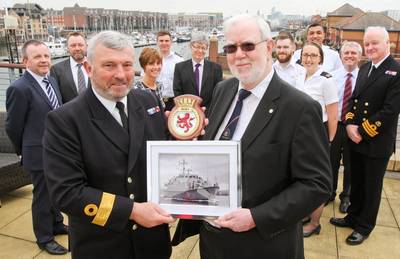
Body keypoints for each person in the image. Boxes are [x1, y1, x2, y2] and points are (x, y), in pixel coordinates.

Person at [173, 14, 332, 259]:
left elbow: (317, 184)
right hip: (213, 241)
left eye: (248, 45)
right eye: (231, 47)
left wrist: (256, 218)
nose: (239, 54)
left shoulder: (300, 108)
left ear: (269, 47)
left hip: (263, 245)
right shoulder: (222, 90)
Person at [42, 31, 174, 258]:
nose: (121, 75)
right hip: (102, 244)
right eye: (109, 65)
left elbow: (164, 154)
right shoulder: (64, 120)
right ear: (88, 68)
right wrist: (131, 211)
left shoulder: (148, 101)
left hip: (152, 242)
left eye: (126, 65)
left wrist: (187, 135)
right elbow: (67, 193)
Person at [330, 27, 400, 245]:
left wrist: (361, 130)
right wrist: (350, 123)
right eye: (367, 44)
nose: (370, 47)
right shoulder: (365, 67)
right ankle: (352, 217)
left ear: (388, 43)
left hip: (376, 142)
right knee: (357, 182)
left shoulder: (396, 71)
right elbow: (354, 100)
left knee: (371, 187)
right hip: (356, 138)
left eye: (375, 43)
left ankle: (364, 226)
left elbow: (390, 111)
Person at [5, 40, 68, 255]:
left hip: (57, 150)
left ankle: (57, 223)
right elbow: (13, 126)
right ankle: (45, 237)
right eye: (37, 57)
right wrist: (22, 149)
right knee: (42, 196)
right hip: (37, 152)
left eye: (46, 56)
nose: (44, 60)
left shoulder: (51, 80)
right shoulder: (19, 88)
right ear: (25, 62)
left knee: (56, 191)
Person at [298, 42, 338, 237]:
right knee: (301, 177)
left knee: (316, 180)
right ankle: (305, 214)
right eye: (306, 55)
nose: (309, 59)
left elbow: (333, 113)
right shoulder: (299, 76)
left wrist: (328, 140)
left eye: (313, 55)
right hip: (299, 133)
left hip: (318, 133)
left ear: (320, 58)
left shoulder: (326, 80)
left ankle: (314, 223)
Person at [330, 41, 362, 214]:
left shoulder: (365, 78)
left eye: (353, 53)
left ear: (359, 56)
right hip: (335, 125)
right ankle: (329, 193)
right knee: (331, 161)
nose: (349, 56)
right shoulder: (331, 77)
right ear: (341, 56)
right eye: (346, 53)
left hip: (353, 128)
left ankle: (346, 197)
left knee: (351, 165)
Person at [173, 32, 223, 110]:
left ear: (207, 49)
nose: (200, 51)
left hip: (209, 112)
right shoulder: (179, 68)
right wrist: (187, 109)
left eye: (203, 48)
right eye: (197, 47)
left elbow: (218, 93)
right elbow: (177, 92)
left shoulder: (216, 68)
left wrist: (208, 110)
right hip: (188, 112)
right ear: (190, 46)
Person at [50, 31, 90, 103]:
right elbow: (56, 97)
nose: (77, 48)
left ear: (86, 46)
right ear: (67, 48)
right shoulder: (56, 70)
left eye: (80, 45)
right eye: (73, 45)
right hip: (69, 113)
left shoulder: (95, 65)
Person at [157, 30, 183, 110]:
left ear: (171, 42)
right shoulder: (151, 59)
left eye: (166, 41)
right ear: (157, 42)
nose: (164, 43)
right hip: (155, 100)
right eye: (161, 41)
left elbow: (184, 82)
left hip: (174, 101)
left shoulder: (179, 60)